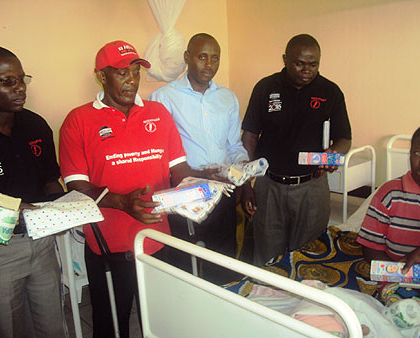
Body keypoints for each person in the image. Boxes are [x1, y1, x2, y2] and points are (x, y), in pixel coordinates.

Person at [59, 40, 220, 338]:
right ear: (101, 76)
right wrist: (121, 202)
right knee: (111, 326)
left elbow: (179, 170)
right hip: (109, 246)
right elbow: (76, 186)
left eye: (135, 71)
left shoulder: (158, 114)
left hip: (158, 241)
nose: (131, 79)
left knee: (158, 321)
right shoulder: (78, 121)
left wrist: (205, 180)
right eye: (121, 72)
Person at [241, 34, 352, 266]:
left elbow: (344, 138)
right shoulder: (265, 87)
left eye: (313, 64)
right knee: (267, 257)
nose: (306, 70)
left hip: (312, 188)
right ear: (285, 59)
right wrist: (246, 183)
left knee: (309, 256)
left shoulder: (330, 91)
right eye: (299, 63)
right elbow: (250, 136)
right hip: (269, 186)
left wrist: (335, 153)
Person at [149, 33, 249, 283]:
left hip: (222, 192)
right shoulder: (163, 98)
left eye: (215, 58)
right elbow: (160, 154)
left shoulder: (227, 97)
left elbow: (233, 144)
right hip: (184, 195)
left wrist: (244, 167)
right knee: (183, 263)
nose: (209, 65)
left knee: (223, 261)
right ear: (187, 57)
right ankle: (187, 315)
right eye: (202, 57)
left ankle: (222, 308)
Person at [0, 46, 66, 337]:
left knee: (51, 325)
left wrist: (68, 205)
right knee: (8, 327)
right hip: (2, 249)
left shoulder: (35, 126)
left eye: (22, 79)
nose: (20, 88)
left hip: (41, 242)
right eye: (8, 81)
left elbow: (51, 181)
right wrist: (12, 208)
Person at [357, 123, 420, 306]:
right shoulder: (390, 194)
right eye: (417, 153)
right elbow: (370, 251)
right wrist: (418, 280)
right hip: (400, 282)